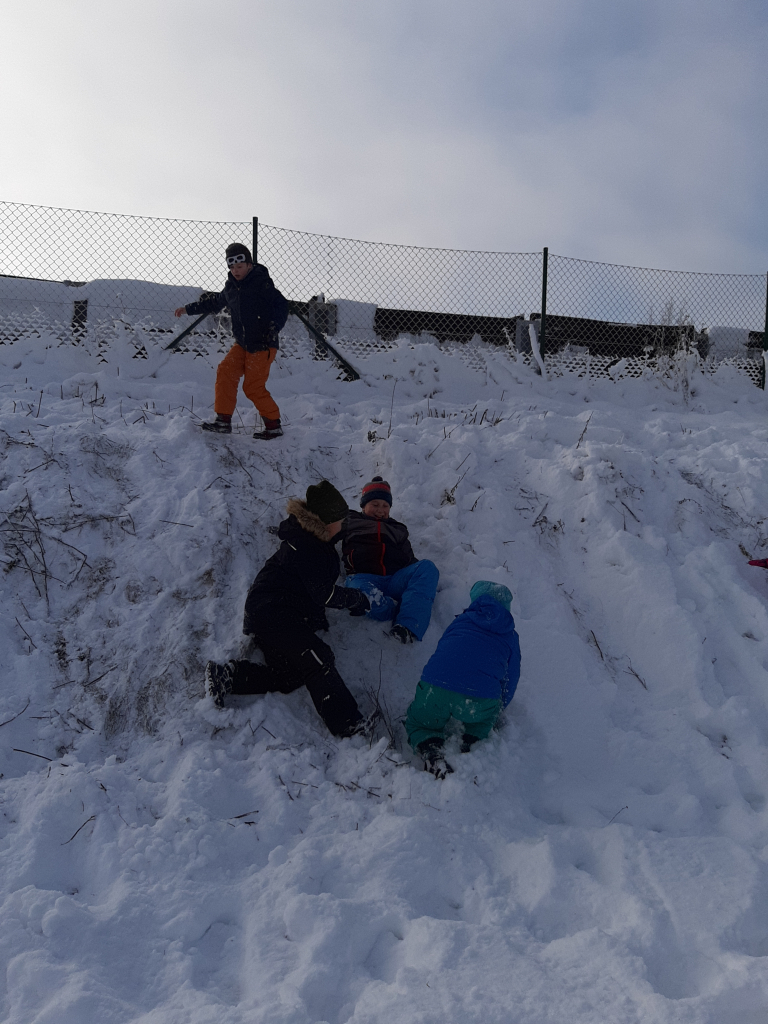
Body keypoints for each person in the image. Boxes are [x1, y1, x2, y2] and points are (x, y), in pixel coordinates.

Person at [206, 480, 372, 738]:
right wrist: (357, 599)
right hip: (271, 611)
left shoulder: (315, 538)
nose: (344, 524)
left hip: (279, 613)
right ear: (326, 522)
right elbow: (324, 594)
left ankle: (230, 676)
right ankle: (348, 724)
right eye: (340, 520)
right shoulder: (306, 546)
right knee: (317, 657)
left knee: (291, 675)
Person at [405, 581, 521, 778]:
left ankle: (430, 747)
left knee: (422, 722)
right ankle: (472, 739)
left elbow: (444, 649)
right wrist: (499, 707)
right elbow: (511, 677)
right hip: (479, 699)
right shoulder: (510, 636)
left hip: (436, 688)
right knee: (483, 720)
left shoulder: (461, 621)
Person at [174, 243, 289, 440]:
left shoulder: (262, 284)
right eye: (232, 267)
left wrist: (274, 326)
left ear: (249, 265)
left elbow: (282, 305)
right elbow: (214, 303)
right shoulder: (230, 288)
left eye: (240, 267)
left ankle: (273, 425)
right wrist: (188, 309)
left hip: (262, 344)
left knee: (252, 387)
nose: (236, 271)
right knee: (225, 371)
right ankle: (222, 421)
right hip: (242, 344)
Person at [340, 476, 439, 644]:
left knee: (427, 568)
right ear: (363, 505)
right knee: (359, 594)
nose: (380, 510)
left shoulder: (397, 529)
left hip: (394, 579)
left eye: (385, 506)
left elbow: (410, 560)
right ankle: (394, 608)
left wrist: (423, 580)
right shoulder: (350, 522)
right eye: (375, 505)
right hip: (363, 578)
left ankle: (407, 626)